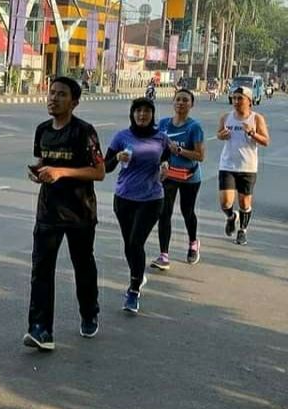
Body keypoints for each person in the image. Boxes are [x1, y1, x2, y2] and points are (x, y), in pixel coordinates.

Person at [23, 76, 106, 351]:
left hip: (79, 212)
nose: (53, 98)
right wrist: (40, 173)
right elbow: (43, 162)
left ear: (74, 102)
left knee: (82, 265)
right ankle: (40, 330)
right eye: (52, 92)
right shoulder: (42, 130)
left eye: (61, 94)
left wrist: (61, 172)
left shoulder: (84, 132)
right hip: (48, 212)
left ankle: (89, 311)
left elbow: (99, 171)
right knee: (41, 270)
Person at [105, 98, 171, 313]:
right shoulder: (122, 137)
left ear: (152, 115)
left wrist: (165, 166)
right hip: (124, 197)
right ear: (132, 114)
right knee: (129, 244)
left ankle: (133, 291)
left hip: (151, 198)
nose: (142, 115)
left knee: (136, 242)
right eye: (138, 111)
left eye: (147, 111)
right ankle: (138, 274)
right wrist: (117, 156)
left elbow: (166, 158)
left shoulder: (161, 138)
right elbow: (105, 167)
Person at [151, 89, 206, 270]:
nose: (181, 103)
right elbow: (156, 146)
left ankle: (193, 243)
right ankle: (163, 255)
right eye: (178, 100)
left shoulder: (194, 127)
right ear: (173, 102)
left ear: (191, 104)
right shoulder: (164, 124)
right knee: (164, 212)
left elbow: (200, 156)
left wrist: (180, 151)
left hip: (189, 176)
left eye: (185, 100)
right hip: (169, 175)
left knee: (187, 211)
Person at [217, 86, 270, 245]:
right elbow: (219, 134)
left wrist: (252, 133)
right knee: (225, 202)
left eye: (240, 98)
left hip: (247, 166)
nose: (236, 101)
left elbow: (266, 141)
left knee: (245, 203)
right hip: (227, 165)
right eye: (234, 98)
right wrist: (222, 135)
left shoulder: (256, 118)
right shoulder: (226, 117)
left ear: (249, 100)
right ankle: (231, 217)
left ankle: (242, 230)